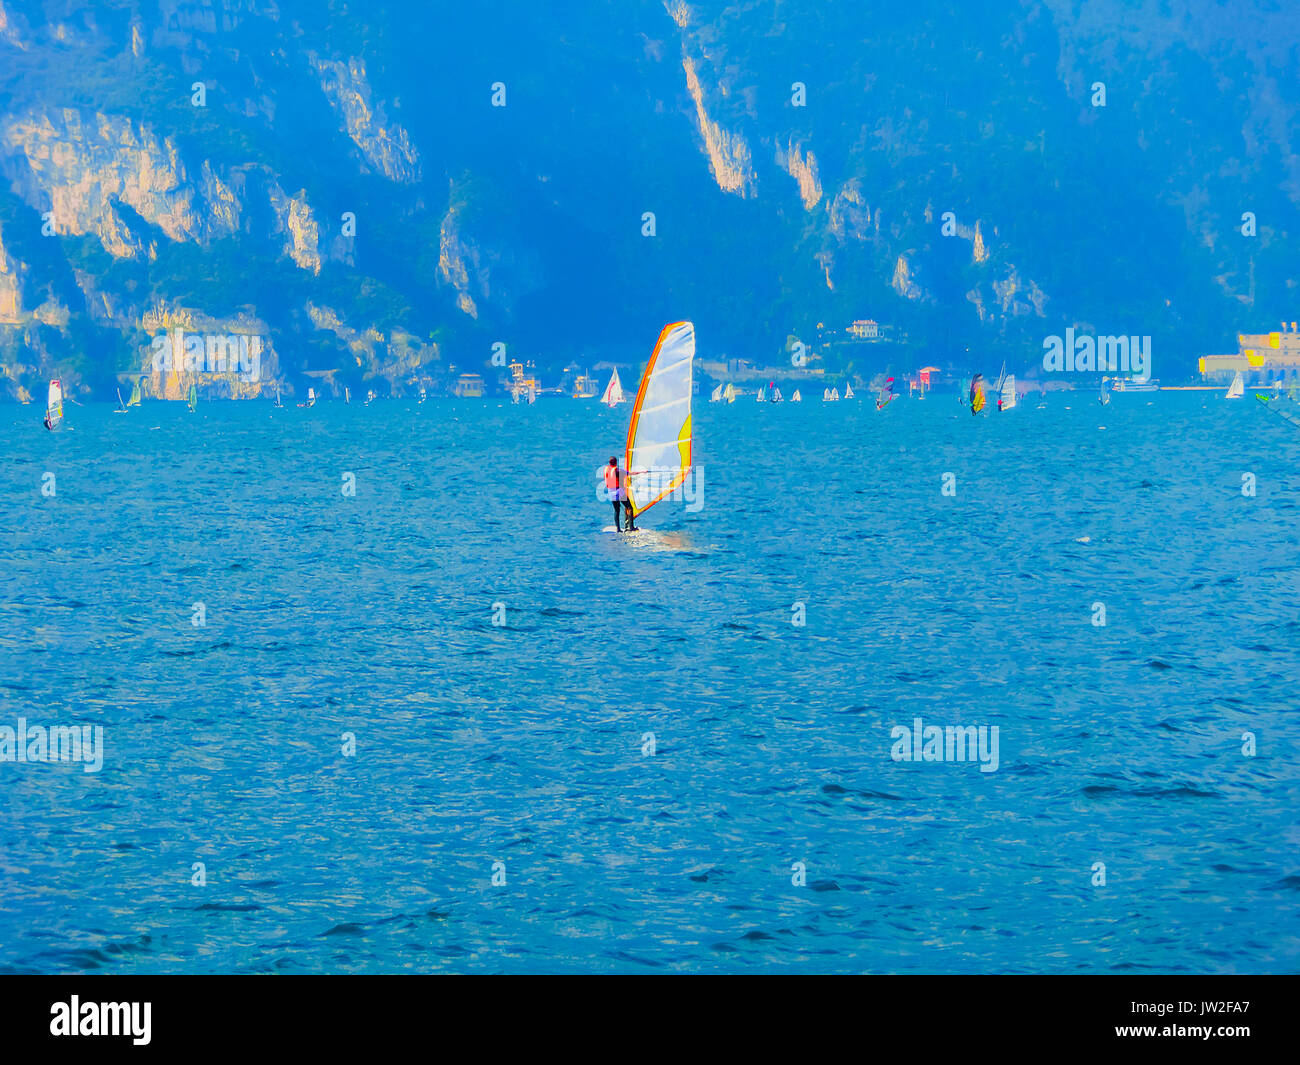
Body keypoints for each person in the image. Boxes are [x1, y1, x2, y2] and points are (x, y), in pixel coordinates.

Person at [604, 457, 637, 532]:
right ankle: (631, 528)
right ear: (616, 463)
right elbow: (630, 473)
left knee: (616, 510)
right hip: (619, 492)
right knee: (629, 507)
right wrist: (640, 472)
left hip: (611, 493)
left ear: (609, 463)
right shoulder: (618, 471)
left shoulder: (606, 469)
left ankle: (618, 529)